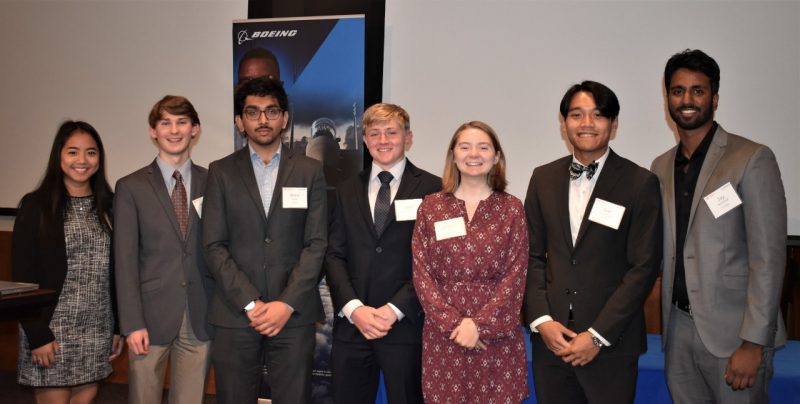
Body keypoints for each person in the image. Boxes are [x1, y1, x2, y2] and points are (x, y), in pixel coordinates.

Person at [651, 49, 787, 403]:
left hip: (735, 336)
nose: (687, 100)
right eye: (678, 90)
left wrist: (754, 342)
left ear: (714, 98)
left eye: (698, 90)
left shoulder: (751, 159)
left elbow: (768, 259)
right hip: (678, 330)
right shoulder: (660, 166)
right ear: (667, 98)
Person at [523, 81, 662, 404]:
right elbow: (531, 257)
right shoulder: (542, 178)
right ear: (564, 123)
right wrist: (543, 322)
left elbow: (643, 267)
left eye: (598, 115)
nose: (586, 124)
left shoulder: (640, 182)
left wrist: (597, 336)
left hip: (611, 344)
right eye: (576, 115)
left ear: (613, 125)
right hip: (551, 342)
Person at [203, 76, 328, 404]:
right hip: (236, 313)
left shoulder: (310, 171)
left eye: (271, 111)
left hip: (293, 313)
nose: (262, 120)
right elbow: (214, 245)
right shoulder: (220, 172)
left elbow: (316, 243)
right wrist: (251, 303)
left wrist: (285, 304)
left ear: (285, 119)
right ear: (239, 121)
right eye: (253, 112)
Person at [326, 103, 440, 404]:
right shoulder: (345, 189)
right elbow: (334, 255)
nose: (383, 140)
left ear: (409, 137)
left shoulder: (435, 189)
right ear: (365, 141)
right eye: (374, 133)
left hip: (405, 327)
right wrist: (354, 308)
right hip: (353, 327)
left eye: (392, 132)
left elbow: (434, 262)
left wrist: (394, 310)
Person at [411, 121, 529, 403]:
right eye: (465, 146)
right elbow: (421, 273)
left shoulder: (512, 209)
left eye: (483, 147)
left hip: (497, 336)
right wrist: (455, 325)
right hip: (444, 336)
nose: (473, 154)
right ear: (453, 155)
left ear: (497, 156)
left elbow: (516, 274)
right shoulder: (431, 206)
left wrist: (479, 325)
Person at [12, 121, 123, 403]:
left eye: (91, 152)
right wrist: (37, 335)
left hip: (97, 328)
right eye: (73, 152)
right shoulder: (36, 205)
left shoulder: (110, 205)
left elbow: (118, 273)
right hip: (50, 329)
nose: (82, 161)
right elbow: (21, 278)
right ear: (58, 155)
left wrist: (117, 327)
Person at [114, 96, 214, 404]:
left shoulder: (214, 182)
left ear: (195, 129)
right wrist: (131, 323)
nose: (174, 130)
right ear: (152, 131)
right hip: (148, 317)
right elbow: (125, 260)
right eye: (165, 123)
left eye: (182, 122)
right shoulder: (131, 187)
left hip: (200, 315)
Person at [234, 47, 282, 150]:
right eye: (247, 81)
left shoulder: (306, 163)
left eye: (265, 80)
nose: (257, 88)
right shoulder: (220, 164)